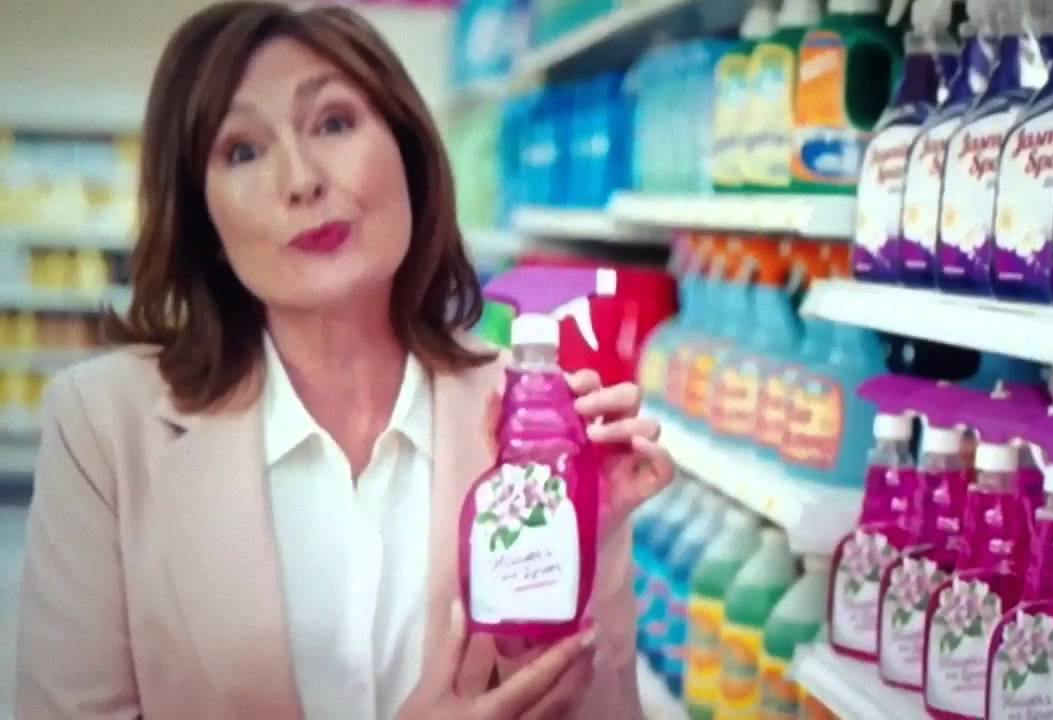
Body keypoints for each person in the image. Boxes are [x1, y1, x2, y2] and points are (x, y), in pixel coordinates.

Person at [16, 3, 674, 718]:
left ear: (409, 153)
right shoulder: (103, 425)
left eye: (332, 123)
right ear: (204, 218)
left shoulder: (533, 418)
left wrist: (585, 545)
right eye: (242, 151)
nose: (300, 180)